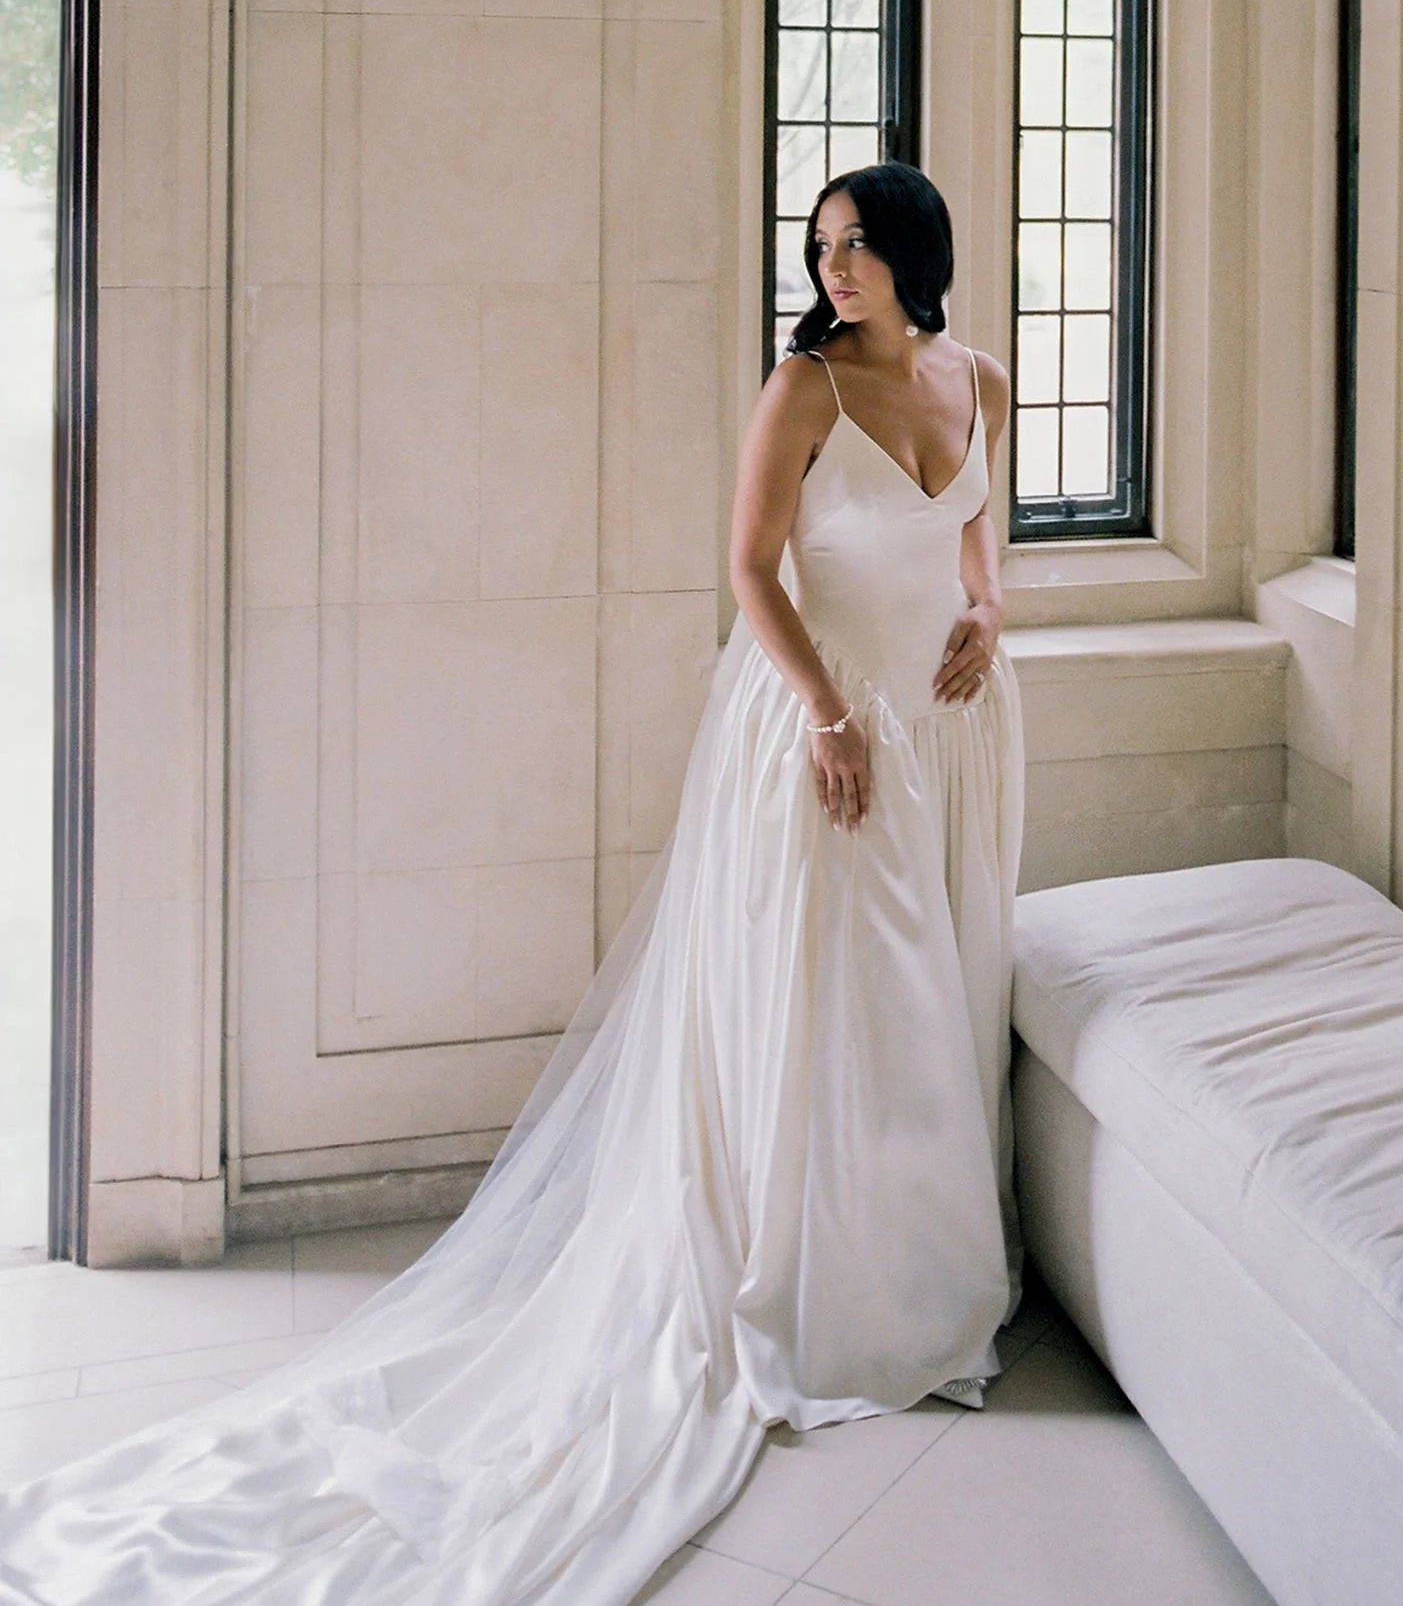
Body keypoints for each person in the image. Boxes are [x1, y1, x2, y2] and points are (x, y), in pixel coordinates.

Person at [0, 163, 1023, 1606]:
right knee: (826, 995)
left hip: (949, 725)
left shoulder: (979, 375)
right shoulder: (798, 390)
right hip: (823, 727)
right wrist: (827, 716)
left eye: (856, 245)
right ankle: (811, 1285)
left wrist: (986, 612)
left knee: (925, 1002)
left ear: (916, 250)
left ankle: (922, 1274)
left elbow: (987, 550)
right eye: (820, 247)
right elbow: (747, 569)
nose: (834, 266)